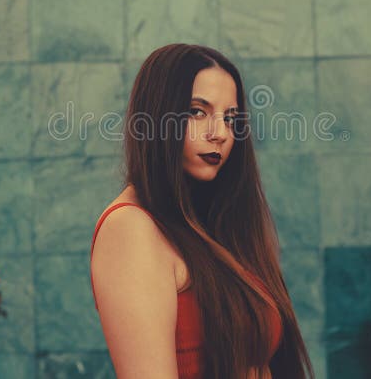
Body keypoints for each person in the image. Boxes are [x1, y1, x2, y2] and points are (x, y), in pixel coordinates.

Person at [90, 44, 315, 379]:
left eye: (230, 118)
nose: (220, 134)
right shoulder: (130, 228)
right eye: (197, 112)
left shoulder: (212, 225)